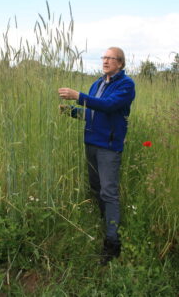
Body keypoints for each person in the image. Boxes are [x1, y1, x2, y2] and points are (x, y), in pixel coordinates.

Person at [58, 47, 135, 265]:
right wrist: (71, 111)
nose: (106, 60)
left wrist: (78, 96)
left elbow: (109, 106)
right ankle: (107, 223)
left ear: (120, 63)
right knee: (95, 187)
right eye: (104, 57)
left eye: (111, 58)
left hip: (108, 147)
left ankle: (113, 243)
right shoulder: (97, 83)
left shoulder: (126, 85)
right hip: (91, 143)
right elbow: (92, 112)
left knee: (109, 192)